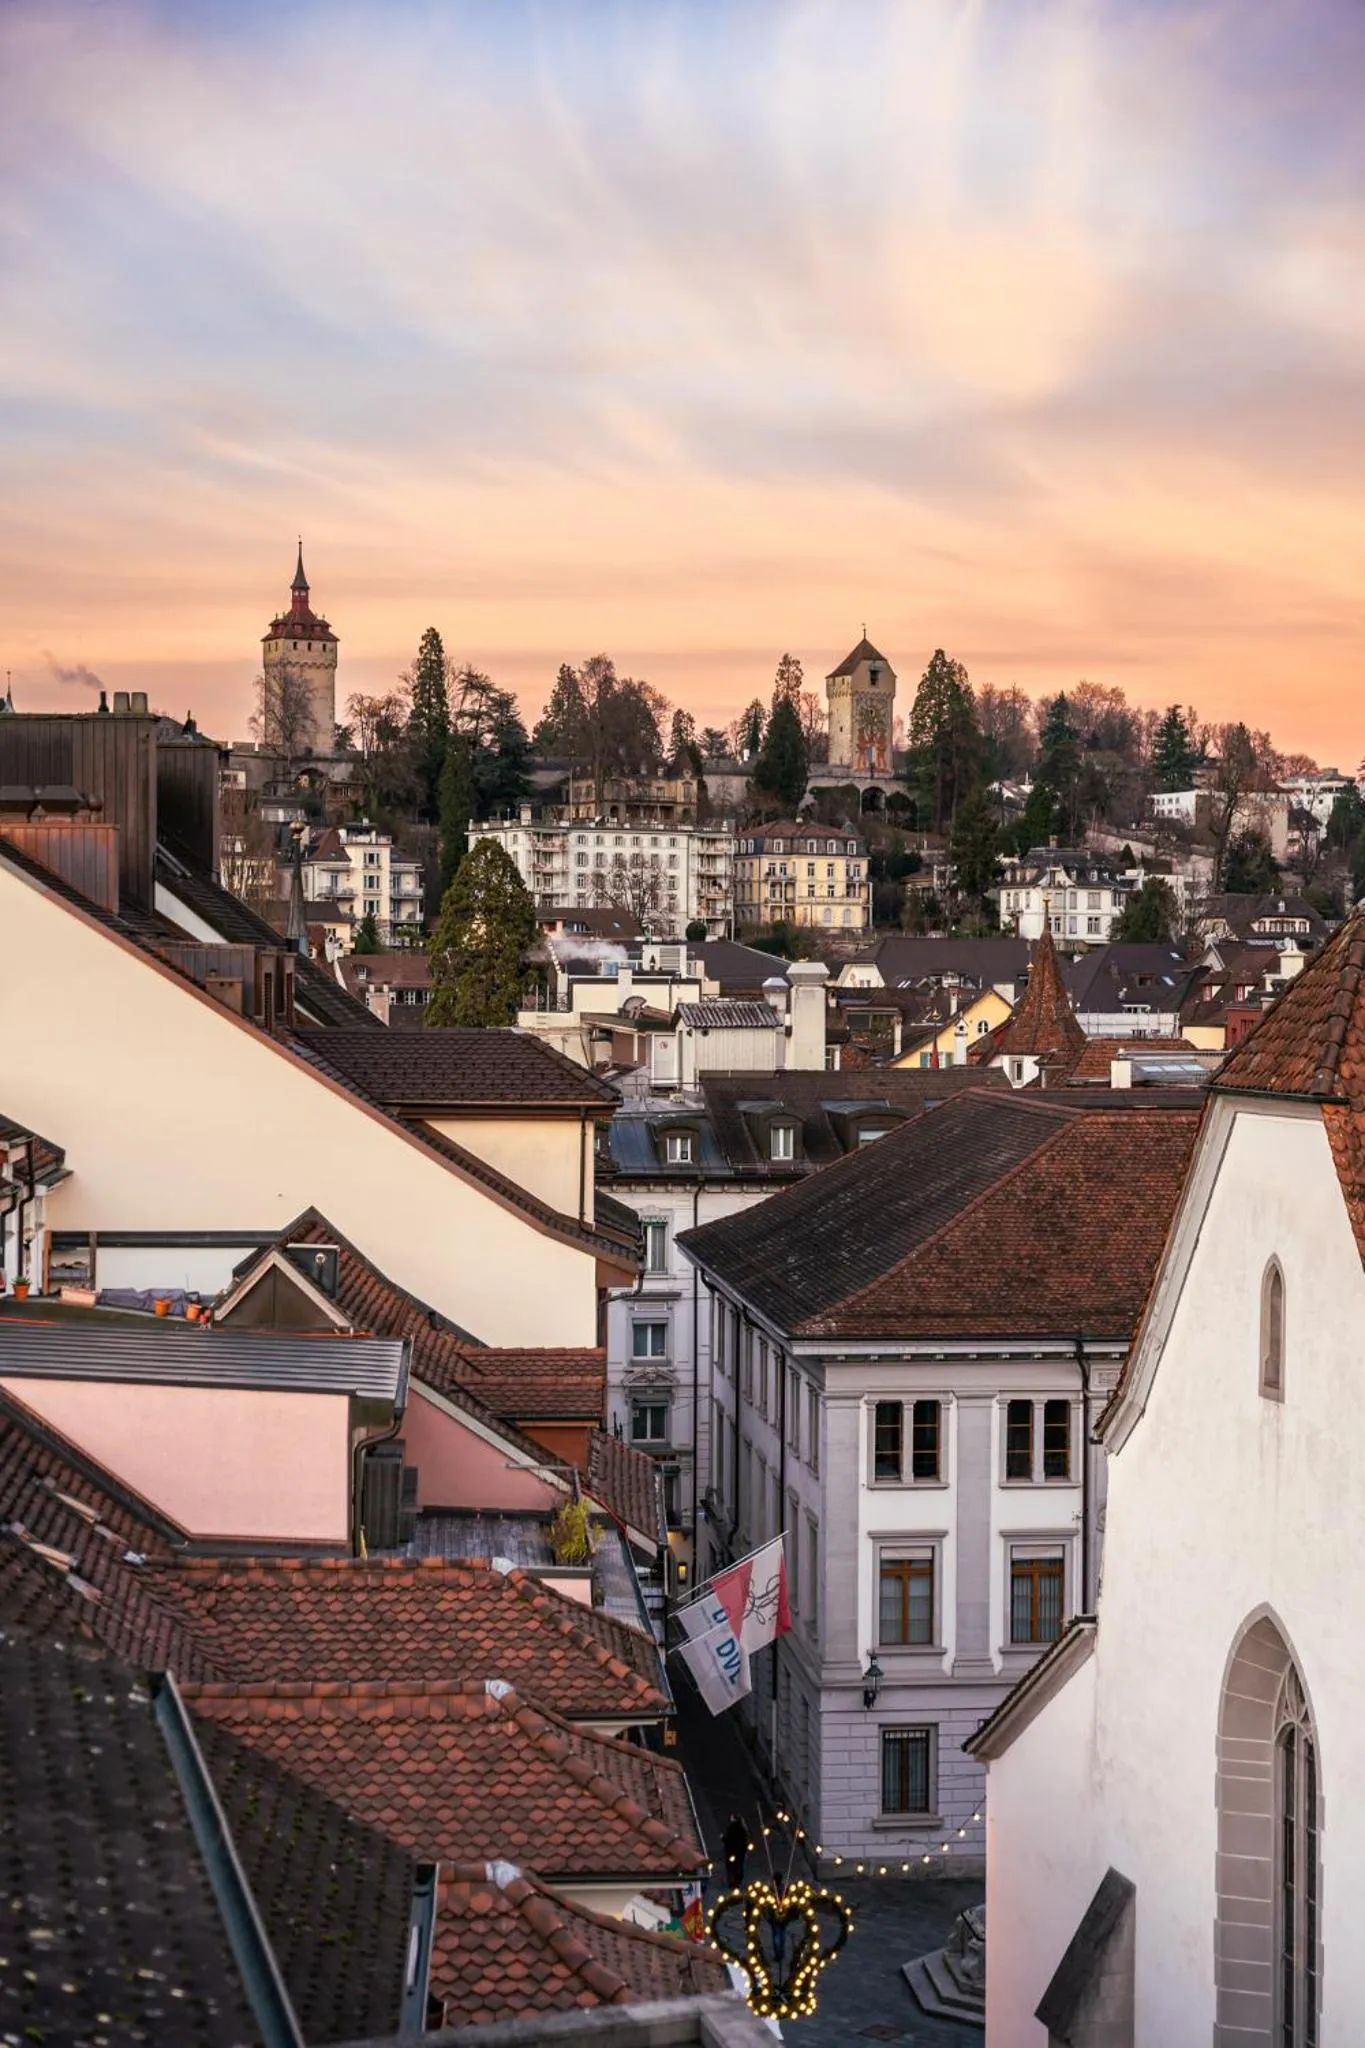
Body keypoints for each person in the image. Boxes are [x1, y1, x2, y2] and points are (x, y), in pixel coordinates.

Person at [722, 1813, 748, 1890]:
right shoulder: (743, 1828)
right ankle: (738, 1881)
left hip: (731, 1851)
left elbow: (728, 1840)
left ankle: (732, 1882)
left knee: (730, 1867)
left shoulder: (731, 1828)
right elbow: (745, 1841)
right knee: (739, 1866)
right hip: (740, 1852)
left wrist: (723, 1839)